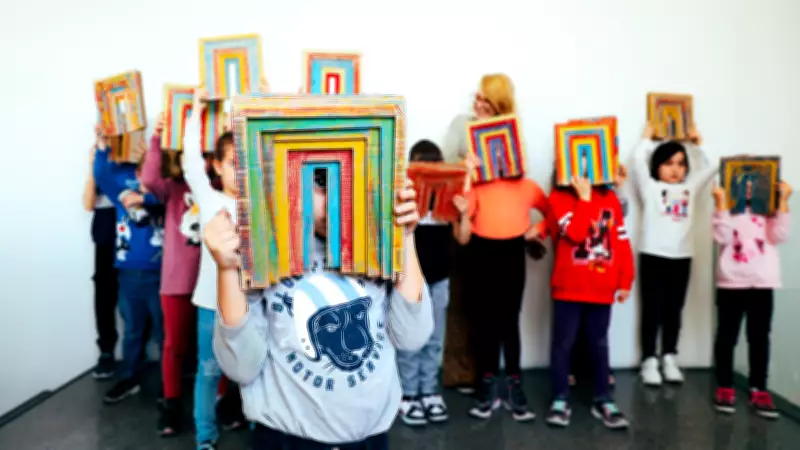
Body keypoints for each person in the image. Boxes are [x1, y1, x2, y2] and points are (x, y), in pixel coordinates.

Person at [205, 155, 434, 449]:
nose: (339, 197)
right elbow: (241, 366)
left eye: (351, 179)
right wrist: (227, 270)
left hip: (369, 438)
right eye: (322, 183)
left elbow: (412, 337)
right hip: (285, 439)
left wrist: (405, 237)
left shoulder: (377, 243)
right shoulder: (267, 250)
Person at [454, 74, 546, 422]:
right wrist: (468, 174)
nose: (477, 104)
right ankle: (487, 384)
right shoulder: (473, 163)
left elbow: (549, 210)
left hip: (510, 254)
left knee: (509, 321)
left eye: (485, 99)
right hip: (480, 250)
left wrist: (537, 229)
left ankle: (514, 386)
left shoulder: (522, 180)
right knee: (483, 323)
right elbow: (464, 214)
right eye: (476, 98)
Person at [542, 176, 634, 430]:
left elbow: (621, 240)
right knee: (563, 344)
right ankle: (560, 398)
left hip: (601, 288)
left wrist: (626, 279)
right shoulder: (559, 198)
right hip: (568, 288)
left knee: (599, 344)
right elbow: (576, 233)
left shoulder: (610, 198)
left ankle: (603, 398)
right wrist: (584, 198)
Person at [182, 88, 246, 450]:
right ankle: (205, 437)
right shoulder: (209, 200)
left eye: (245, 163)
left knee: (254, 371)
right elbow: (191, 161)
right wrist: (195, 109)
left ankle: (262, 428)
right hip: (210, 304)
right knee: (207, 372)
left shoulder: (261, 203)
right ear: (218, 166)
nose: (240, 171)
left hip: (251, 303)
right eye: (233, 162)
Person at [632, 123, 718, 386]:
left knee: (674, 310)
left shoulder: (690, 186)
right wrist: (646, 139)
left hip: (682, 258)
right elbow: (637, 161)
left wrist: (698, 143)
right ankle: (649, 360)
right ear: (657, 165)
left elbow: (714, 166)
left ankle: (669, 357)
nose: (675, 169)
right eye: (668, 163)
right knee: (652, 310)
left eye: (681, 164)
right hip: (652, 255)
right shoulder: (650, 187)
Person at [397, 140, 472, 427]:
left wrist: (463, 212)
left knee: (433, 338)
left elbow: (463, 238)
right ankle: (408, 394)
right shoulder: (404, 200)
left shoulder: (448, 200)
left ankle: (428, 392)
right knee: (410, 338)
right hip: (410, 282)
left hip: (440, 279)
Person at [140, 113, 202, 436]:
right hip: (177, 279)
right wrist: (156, 138)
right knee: (174, 345)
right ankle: (171, 402)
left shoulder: (220, 181)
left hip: (213, 279)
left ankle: (220, 401)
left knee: (217, 345)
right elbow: (150, 179)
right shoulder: (174, 185)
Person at [93, 129, 165, 405]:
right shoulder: (122, 179)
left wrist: (144, 198)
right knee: (132, 330)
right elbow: (101, 175)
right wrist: (102, 147)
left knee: (163, 333)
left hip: (160, 273)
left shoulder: (160, 181)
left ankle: (168, 385)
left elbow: (168, 195)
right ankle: (129, 377)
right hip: (128, 273)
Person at [711, 180, 792, 420]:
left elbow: (780, 235)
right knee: (727, 335)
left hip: (762, 282)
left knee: (759, 337)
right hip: (731, 281)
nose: (748, 187)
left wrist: (783, 202)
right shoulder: (728, 208)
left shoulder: (768, 210)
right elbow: (722, 236)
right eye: (743, 180)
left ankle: (759, 387)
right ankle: (724, 384)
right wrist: (721, 204)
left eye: (754, 181)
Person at [567, 164, 628, 389]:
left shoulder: (609, 197)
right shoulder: (564, 197)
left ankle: (598, 373)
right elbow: (571, 232)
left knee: (597, 334)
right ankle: (572, 369)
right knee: (571, 331)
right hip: (573, 279)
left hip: (601, 279)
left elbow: (620, 224)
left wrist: (617, 187)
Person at [83, 141, 120, 380]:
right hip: (105, 232)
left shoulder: (133, 157)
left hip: (133, 229)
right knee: (104, 294)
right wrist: (92, 167)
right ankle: (106, 351)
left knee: (140, 292)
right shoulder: (99, 160)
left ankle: (140, 353)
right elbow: (88, 204)